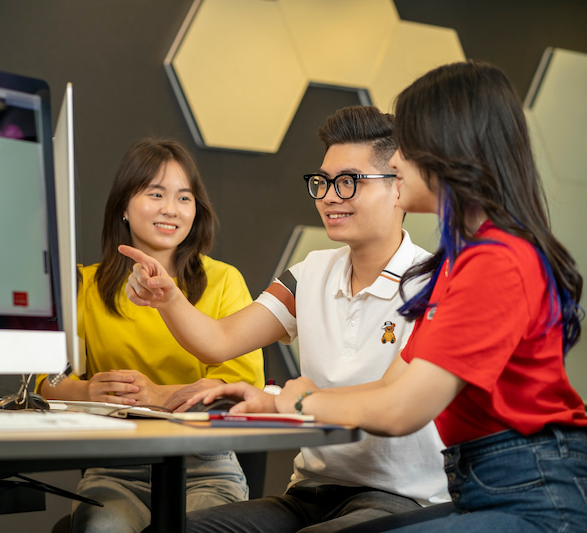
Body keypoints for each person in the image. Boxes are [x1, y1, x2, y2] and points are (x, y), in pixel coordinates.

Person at [181, 62, 587, 532]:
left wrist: (296, 401)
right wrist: (276, 401)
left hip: (532, 494)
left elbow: (400, 411)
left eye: (407, 146)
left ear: (450, 148)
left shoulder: (496, 261)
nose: (395, 163)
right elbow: (393, 387)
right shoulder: (461, 262)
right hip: (484, 486)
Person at [123, 106, 450, 532]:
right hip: (309, 492)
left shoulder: (435, 281)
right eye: (323, 182)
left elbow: (397, 399)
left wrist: (287, 399)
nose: (330, 196)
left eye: (348, 182)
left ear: (397, 187)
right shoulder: (310, 272)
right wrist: (168, 297)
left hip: (402, 499)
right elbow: (220, 339)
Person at [38, 137, 265, 533]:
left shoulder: (224, 280)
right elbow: (45, 385)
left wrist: (157, 395)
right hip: (114, 469)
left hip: (206, 467)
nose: (170, 210)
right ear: (123, 206)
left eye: (184, 198)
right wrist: (88, 391)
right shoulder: (83, 284)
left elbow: (241, 386)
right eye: (155, 193)